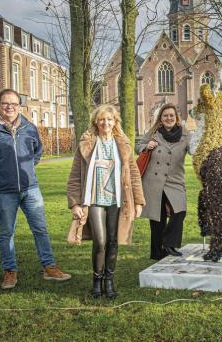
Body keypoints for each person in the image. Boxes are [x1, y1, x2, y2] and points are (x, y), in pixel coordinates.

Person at [0, 88, 71, 290]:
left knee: (40, 229)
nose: (10, 107)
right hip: (3, 191)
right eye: (5, 103)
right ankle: (10, 271)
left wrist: (26, 171)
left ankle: (49, 267)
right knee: (6, 232)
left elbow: (37, 153)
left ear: (19, 106)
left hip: (30, 189)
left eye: (14, 104)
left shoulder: (30, 128)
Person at [67, 104, 145, 299]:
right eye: (102, 119)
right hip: (93, 199)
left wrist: (138, 202)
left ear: (115, 122)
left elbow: (134, 174)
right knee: (100, 241)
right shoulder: (87, 144)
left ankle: (109, 280)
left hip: (117, 201)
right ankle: (97, 279)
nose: (105, 123)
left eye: (109, 119)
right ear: (96, 121)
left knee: (112, 240)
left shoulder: (123, 145)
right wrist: (75, 203)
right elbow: (75, 176)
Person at [136, 104, 190, 260]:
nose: (169, 118)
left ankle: (168, 243)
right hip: (154, 181)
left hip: (175, 180)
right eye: (165, 116)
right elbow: (138, 146)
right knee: (157, 218)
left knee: (180, 211)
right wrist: (146, 146)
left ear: (176, 117)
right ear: (160, 118)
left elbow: (194, 150)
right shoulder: (153, 133)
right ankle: (157, 252)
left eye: (171, 115)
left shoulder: (186, 135)